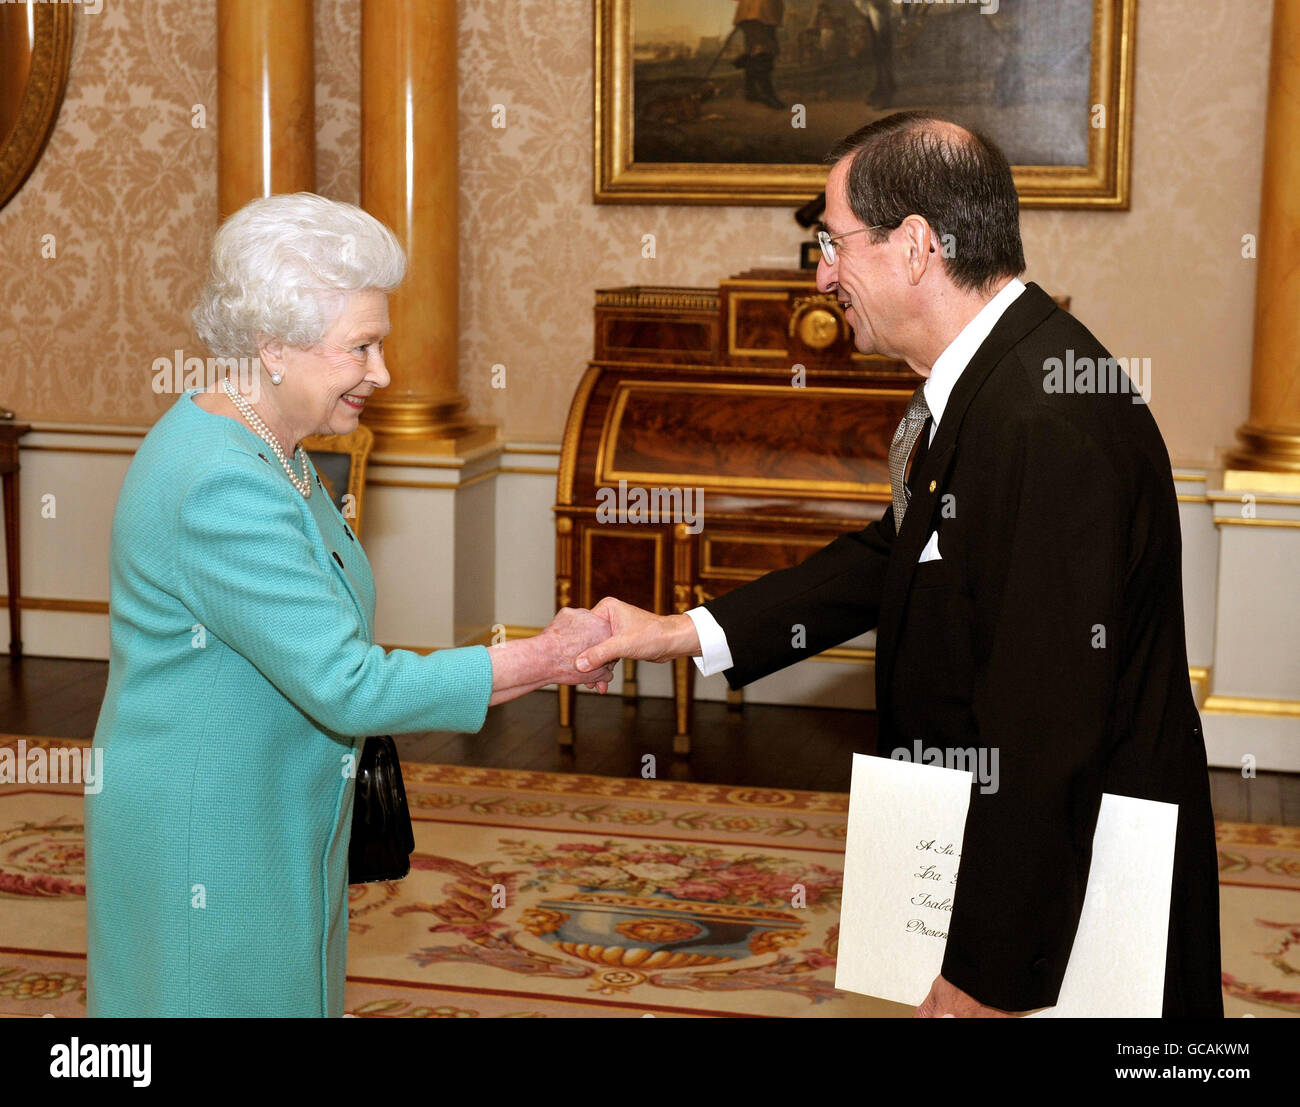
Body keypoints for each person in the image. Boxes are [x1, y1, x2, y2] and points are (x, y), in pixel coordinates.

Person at [575, 112, 1223, 1018]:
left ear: (916, 244)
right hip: (1022, 844)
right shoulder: (994, 376)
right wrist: (681, 633)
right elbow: (896, 551)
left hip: (1085, 878)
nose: (823, 274)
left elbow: (1043, 730)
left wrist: (984, 980)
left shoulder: (1043, 421)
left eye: (833, 243)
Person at [85, 192, 613, 1017]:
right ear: (272, 347)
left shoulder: (277, 452)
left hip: (274, 814)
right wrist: (545, 657)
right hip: (213, 835)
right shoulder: (221, 479)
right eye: (361, 347)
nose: (383, 373)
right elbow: (348, 684)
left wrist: (546, 663)